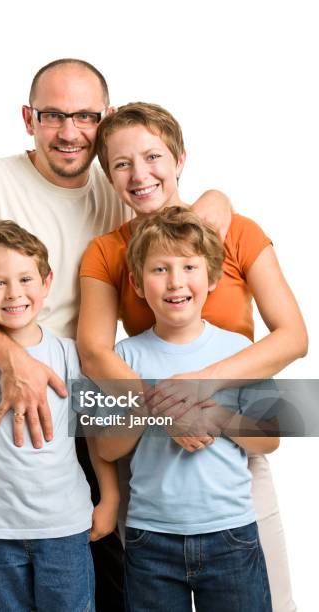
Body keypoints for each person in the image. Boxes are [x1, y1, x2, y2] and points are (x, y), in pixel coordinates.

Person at [0, 60, 230, 611]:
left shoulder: (114, 186)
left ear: (103, 119)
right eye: (53, 116)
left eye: (85, 116)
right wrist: (16, 363)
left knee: (106, 575)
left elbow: (181, 216)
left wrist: (216, 203)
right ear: (28, 119)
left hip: (82, 406)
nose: (69, 132)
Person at [77, 102, 308, 611]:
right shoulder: (108, 252)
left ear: (179, 158)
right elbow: (93, 352)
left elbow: (292, 338)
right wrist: (165, 407)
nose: (140, 174)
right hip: (155, 463)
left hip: (231, 455)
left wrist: (200, 386)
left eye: (153, 156)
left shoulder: (233, 229)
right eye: (120, 164)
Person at [93, 206, 277, 611]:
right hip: (151, 540)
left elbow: (269, 439)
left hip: (231, 533)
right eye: (160, 269)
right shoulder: (125, 357)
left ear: (212, 278)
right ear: (138, 285)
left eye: (189, 267)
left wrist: (218, 418)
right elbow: (104, 448)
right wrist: (152, 410)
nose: (176, 282)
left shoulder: (238, 351)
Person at [0, 220, 121, 611]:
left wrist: (110, 496)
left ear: (47, 283)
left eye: (25, 279)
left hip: (68, 527)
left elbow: (93, 429)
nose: (14, 293)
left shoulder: (69, 354)